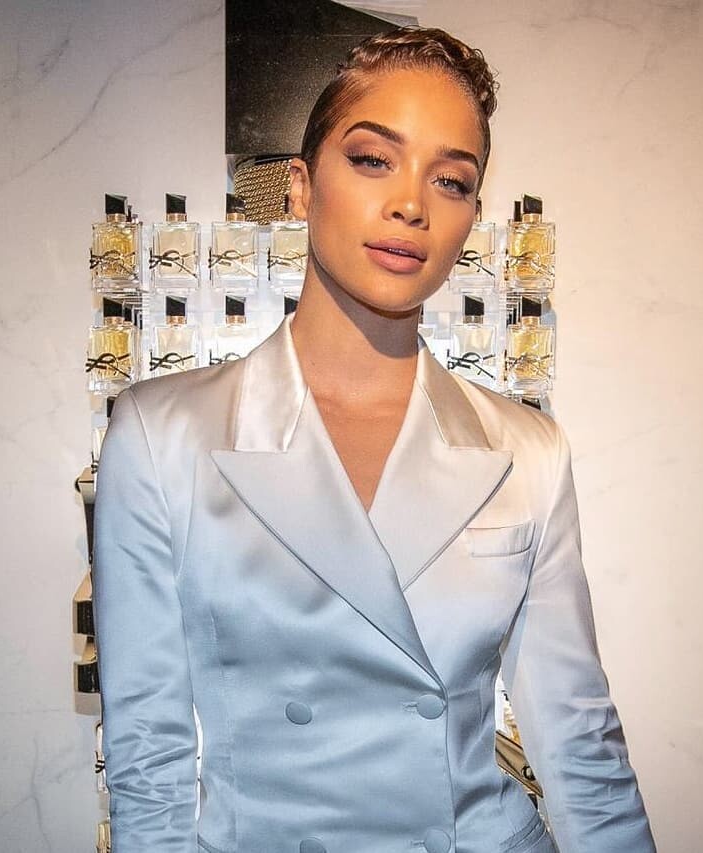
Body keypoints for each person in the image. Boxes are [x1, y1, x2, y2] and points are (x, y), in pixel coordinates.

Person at [93, 26, 656, 853]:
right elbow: (149, 756)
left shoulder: (527, 451)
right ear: (299, 187)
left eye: (451, 180)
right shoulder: (160, 434)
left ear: (469, 217)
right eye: (371, 159)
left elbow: (578, 740)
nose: (410, 205)